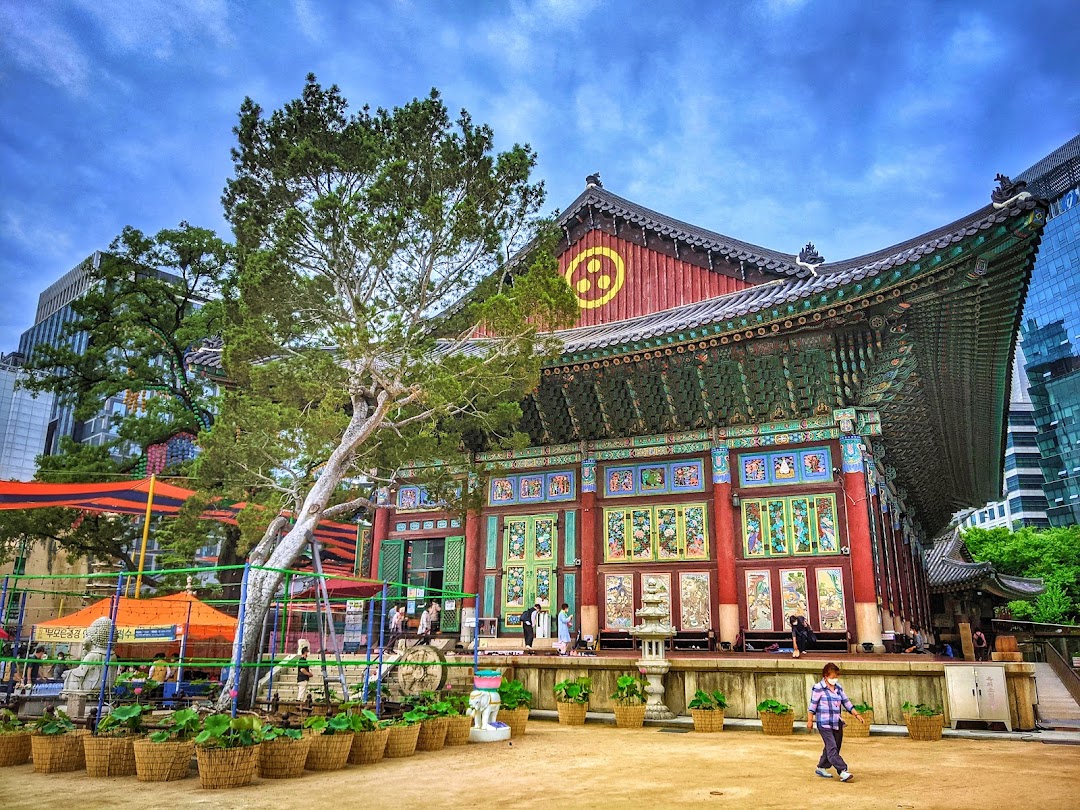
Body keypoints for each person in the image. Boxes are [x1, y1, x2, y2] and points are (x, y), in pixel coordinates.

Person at [807, 662, 862, 783]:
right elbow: (812, 706)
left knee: (834, 747)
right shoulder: (818, 688)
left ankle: (822, 766)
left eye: (836, 676)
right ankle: (843, 771)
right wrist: (810, 720)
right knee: (832, 747)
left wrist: (856, 714)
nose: (834, 679)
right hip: (824, 723)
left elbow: (846, 702)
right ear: (825, 676)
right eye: (832, 677)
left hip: (837, 722)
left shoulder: (838, 687)